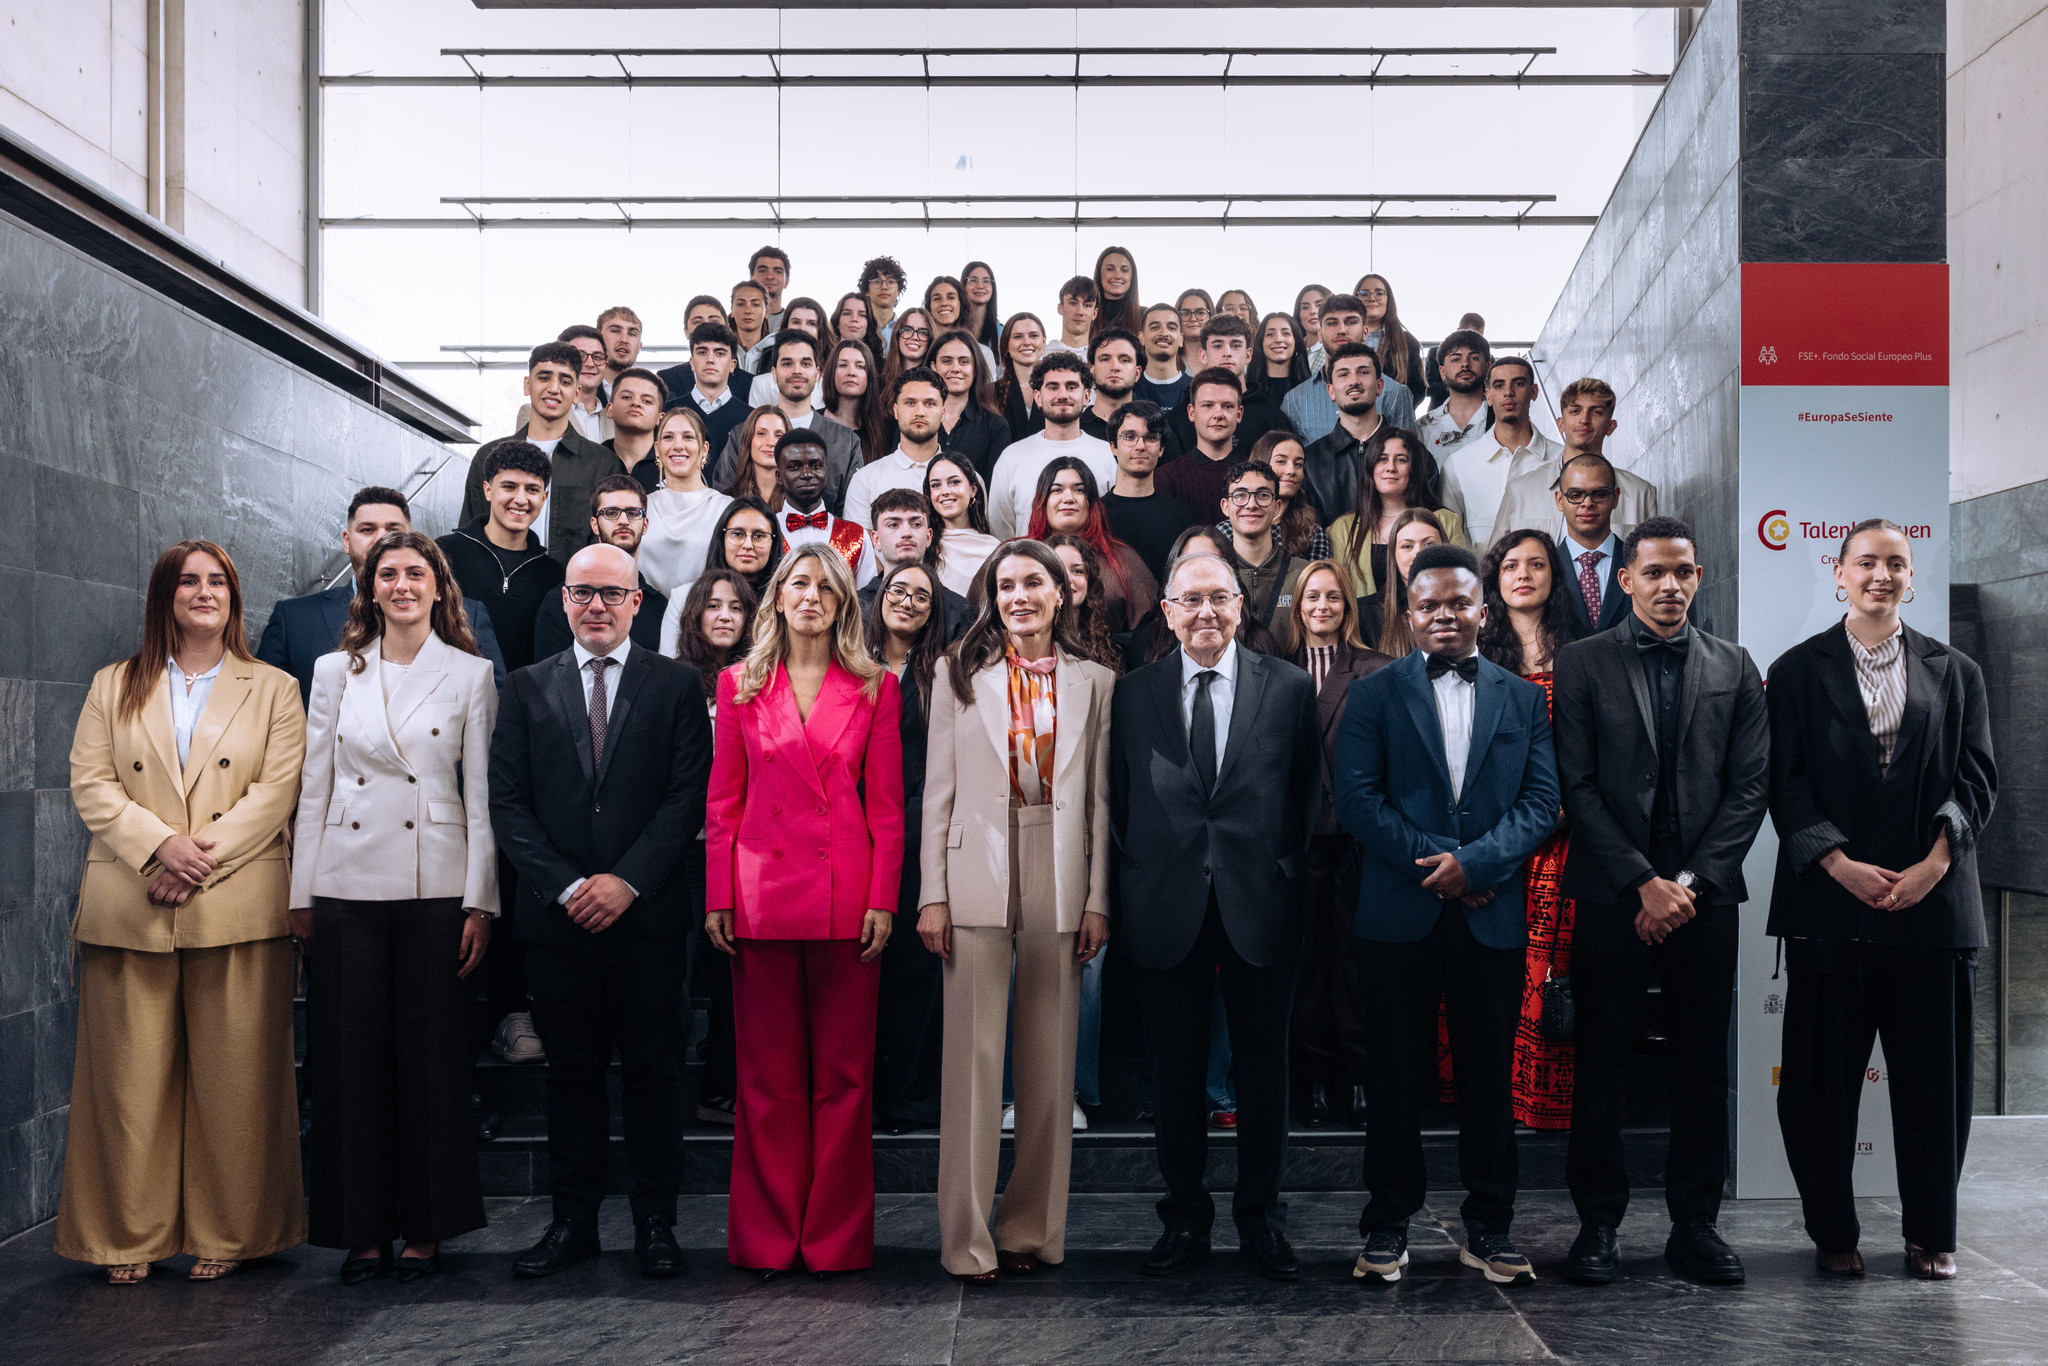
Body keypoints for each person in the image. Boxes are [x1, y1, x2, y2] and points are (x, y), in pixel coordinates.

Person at [59, 541, 307, 1283]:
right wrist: (160, 846)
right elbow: (92, 783)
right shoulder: (115, 684)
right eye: (189, 581)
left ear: (235, 595)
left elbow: (276, 791)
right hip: (131, 898)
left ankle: (231, 1232)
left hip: (234, 899)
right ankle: (124, 1236)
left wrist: (198, 859)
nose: (204, 592)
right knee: (125, 1082)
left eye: (218, 581)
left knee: (239, 1079)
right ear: (165, 595)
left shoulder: (274, 688)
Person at [1767, 520, 1995, 1282]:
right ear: (1838, 574)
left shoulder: (1955, 670)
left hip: (1932, 910)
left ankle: (1933, 1235)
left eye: (1896, 563)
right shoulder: (1796, 671)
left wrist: (1936, 862)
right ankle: (1833, 1232)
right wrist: (1836, 862)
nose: (1881, 574)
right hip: (1832, 910)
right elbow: (1783, 781)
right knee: (1818, 1091)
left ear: (1912, 578)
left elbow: (1978, 779)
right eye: (1866, 561)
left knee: (1936, 1091)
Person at [1550, 516, 1769, 1288]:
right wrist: (1642, 880)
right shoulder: (1581, 662)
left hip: (1705, 899)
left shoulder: (1736, 666)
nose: (1669, 585)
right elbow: (1576, 785)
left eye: (1683, 572)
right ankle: (1598, 1226)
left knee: (1702, 1069)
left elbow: (1750, 789)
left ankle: (1696, 1226)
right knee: (1600, 1064)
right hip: (1614, 893)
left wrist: (1691, 884)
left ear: (1698, 578)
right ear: (1625, 580)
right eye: (1654, 573)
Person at [1336, 542, 1558, 1288]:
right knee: (1394, 1075)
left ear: (1482, 610)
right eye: (1428, 604)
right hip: (1400, 912)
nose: (1443, 615)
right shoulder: (1372, 694)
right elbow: (1359, 802)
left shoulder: (1523, 697)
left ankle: (1490, 1227)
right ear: (1408, 613)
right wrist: (1445, 867)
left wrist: (1482, 865)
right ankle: (1387, 1224)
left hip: (1491, 915)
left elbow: (1542, 803)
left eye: (1459, 603)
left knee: (1490, 1078)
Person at [490, 543, 713, 1280]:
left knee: (654, 1076)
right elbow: (509, 806)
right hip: (557, 923)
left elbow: (687, 799)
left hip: (647, 920)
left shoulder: (677, 685)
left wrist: (625, 882)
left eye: (612, 594)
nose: (596, 606)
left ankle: (656, 1222)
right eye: (583, 592)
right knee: (570, 1078)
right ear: (563, 601)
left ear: (637, 602)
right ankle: (571, 1224)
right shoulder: (523, 688)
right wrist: (567, 886)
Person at [290, 531, 498, 1284]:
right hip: (345, 883)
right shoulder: (332, 671)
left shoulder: (471, 675)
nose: (403, 584)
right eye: (389, 574)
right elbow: (313, 785)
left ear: (440, 587)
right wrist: (300, 894)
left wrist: (482, 901)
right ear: (368, 586)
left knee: (433, 1062)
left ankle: (428, 1226)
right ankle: (360, 1230)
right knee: (348, 1062)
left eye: (417, 573)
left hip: (437, 885)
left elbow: (480, 796)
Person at [1111, 549, 1320, 1281]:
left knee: (1265, 1074)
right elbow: (1118, 800)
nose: (1205, 613)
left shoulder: (1289, 689)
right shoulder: (1130, 695)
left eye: (1219, 599)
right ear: (1165, 613)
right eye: (1189, 601)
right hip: (1165, 906)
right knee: (1174, 1076)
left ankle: (1262, 1219)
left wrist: (1288, 878)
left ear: (1241, 607)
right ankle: (1184, 1219)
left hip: (1260, 903)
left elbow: (1306, 797)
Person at [704, 546, 904, 1277]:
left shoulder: (876, 687)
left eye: (825, 586)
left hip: (847, 901)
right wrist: (719, 895)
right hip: (759, 898)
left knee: (846, 1083)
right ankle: (767, 1240)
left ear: (845, 601)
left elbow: (886, 807)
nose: (811, 596)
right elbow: (722, 802)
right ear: (778, 599)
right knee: (766, 1083)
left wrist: (884, 896)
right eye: (799, 583)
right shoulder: (739, 685)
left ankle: (834, 1243)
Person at [921, 539, 1115, 1282]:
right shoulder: (957, 672)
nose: (1020, 595)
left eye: (1034, 581)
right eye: (1005, 584)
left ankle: (1032, 1230)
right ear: (991, 597)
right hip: (975, 864)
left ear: (1061, 591)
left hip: (1060, 864)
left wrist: (1097, 898)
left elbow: (1099, 801)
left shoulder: (1098, 679)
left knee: (1048, 1063)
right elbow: (937, 790)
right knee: (971, 1063)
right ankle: (967, 1240)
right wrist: (930, 893)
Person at [1475, 531, 1588, 1133]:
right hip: (1492, 841)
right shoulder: (1477, 658)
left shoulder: (1585, 654)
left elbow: (1592, 754)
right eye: (1511, 565)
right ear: (1493, 579)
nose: (1524, 574)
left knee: (1552, 971)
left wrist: (1553, 815)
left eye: (1537, 564)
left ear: (1555, 576)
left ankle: (1543, 1103)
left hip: (1563, 841)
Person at [1279, 561, 1389, 1129]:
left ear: (1348, 604)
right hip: (1298, 845)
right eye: (1310, 597)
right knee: (1307, 965)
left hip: (1358, 842)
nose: (1321, 606)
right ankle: (1315, 1081)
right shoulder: (1275, 670)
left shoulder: (1378, 670)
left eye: (1333, 597)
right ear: (1297, 606)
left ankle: (1360, 1076)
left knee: (1355, 963)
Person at [260, 486, 505, 704]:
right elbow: (266, 710)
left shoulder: (468, 614)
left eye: (393, 529)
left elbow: (492, 707)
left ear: (411, 538)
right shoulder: (293, 620)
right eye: (367, 529)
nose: (381, 538)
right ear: (347, 541)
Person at [669, 568, 758, 1126]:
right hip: (684, 851)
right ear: (695, 616)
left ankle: (724, 1086)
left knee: (733, 979)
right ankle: (668, 1092)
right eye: (713, 606)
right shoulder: (672, 680)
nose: (725, 615)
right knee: (672, 975)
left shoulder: (765, 677)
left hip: (747, 850)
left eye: (736, 607)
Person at [867, 559, 951, 1136]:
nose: (909, 601)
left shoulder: (943, 672)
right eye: (899, 589)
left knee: (915, 970)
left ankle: (909, 1097)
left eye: (922, 595)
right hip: (857, 834)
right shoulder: (849, 661)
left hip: (921, 835)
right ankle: (864, 1094)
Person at [460, 343, 613, 560]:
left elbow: (605, 543)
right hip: (496, 586)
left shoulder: (602, 463)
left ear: (577, 393)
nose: (554, 388)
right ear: (527, 385)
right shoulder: (488, 456)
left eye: (565, 381)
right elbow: (469, 535)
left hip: (571, 589)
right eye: (544, 377)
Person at [440, 442, 567, 675]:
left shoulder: (554, 575)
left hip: (525, 704)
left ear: (544, 496)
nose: (520, 499)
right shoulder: (444, 555)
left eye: (532, 489)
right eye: (509, 487)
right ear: (488, 490)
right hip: (455, 700)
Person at [1490, 378, 1661, 542]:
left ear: (1611, 426)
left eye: (1596, 412)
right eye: (1575, 411)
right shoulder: (1521, 490)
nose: (1584, 420)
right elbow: (1495, 561)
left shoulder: (1640, 493)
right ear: (1561, 424)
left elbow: (1655, 563)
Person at [713, 330, 864, 517]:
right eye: (787, 363)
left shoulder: (846, 441)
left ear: (817, 373)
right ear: (774, 374)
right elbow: (723, 502)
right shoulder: (743, 433)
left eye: (806, 363)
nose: (797, 370)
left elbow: (853, 515)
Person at [534, 476, 673, 657]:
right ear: (594, 525)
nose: (623, 520)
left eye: (633, 513)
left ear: (645, 524)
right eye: (611, 513)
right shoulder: (560, 601)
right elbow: (549, 677)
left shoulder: (659, 606)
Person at [987, 352, 1115, 540]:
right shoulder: (1011, 457)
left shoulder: (1109, 456)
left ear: (1087, 396)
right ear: (1038, 397)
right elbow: (1001, 532)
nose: (1062, 395)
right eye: (1053, 387)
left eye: (1071, 387)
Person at [1328, 426, 1467, 598]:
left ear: (1413, 468)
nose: (1390, 468)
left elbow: (1462, 585)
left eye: (1401, 460)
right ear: (1370, 467)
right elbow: (1338, 595)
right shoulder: (1342, 530)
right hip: (1364, 624)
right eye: (1382, 459)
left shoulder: (1446, 521)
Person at [1438, 357, 1560, 551]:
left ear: (1534, 392)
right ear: (1488, 396)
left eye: (1518, 384)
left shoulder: (1563, 461)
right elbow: (1450, 541)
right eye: (1499, 385)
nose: (1508, 393)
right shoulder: (1458, 465)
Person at [1028, 456, 1158, 631]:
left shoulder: (1122, 559)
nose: (1068, 498)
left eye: (1079, 490)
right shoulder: (1021, 558)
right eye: (1057, 490)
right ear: (1042, 502)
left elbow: (1150, 630)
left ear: (1091, 503)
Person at [1283, 293, 1417, 439]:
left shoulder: (1395, 394)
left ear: (1365, 332)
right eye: (1332, 323)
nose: (1342, 330)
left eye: (1351, 322)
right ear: (1320, 334)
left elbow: (1408, 455)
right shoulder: (1295, 400)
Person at [638, 407, 734, 602]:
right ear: (657, 449)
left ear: (704, 449)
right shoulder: (640, 507)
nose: (678, 445)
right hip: (644, 617)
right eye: (668, 438)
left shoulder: (726, 508)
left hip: (705, 617)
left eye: (688, 437)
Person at [1165, 316, 1294, 458]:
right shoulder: (1176, 420)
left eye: (1236, 345)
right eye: (1217, 345)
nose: (1227, 353)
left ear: (1248, 355)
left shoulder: (1273, 419)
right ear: (1203, 355)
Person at [1103, 399, 1201, 582]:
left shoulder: (1181, 516)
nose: (1140, 446)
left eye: (1150, 438)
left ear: (1161, 448)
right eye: (1129, 437)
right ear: (1113, 447)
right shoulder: (1095, 514)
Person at [856, 488, 972, 640]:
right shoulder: (854, 608)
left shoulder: (960, 611)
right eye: (893, 525)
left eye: (916, 524)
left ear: (929, 536)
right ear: (876, 540)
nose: (906, 533)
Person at [843, 366, 947, 534]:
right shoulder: (865, 480)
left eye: (929, 403)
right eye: (910, 403)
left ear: (943, 413)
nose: (919, 412)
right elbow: (861, 552)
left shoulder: (965, 480)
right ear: (896, 410)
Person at [1301, 343, 1395, 527]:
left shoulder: (1413, 454)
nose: (1354, 381)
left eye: (1363, 372)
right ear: (1331, 391)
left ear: (1379, 386)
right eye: (1343, 374)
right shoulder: (1309, 461)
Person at [1217, 459, 1308, 633]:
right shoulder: (1211, 576)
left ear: (1277, 507)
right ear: (1225, 507)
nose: (1251, 504)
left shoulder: (1304, 575)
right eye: (1240, 495)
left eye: (1263, 495)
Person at [767, 429, 866, 574]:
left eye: (816, 466)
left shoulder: (857, 536)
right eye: (794, 467)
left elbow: (867, 595)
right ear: (779, 477)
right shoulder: (765, 533)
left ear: (827, 470)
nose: (807, 474)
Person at [1154, 368, 1248, 516]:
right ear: (1191, 412)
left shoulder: (1256, 475)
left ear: (1239, 414)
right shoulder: (1166, 478)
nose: (1218, 414)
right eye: (1208, 405)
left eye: (1227, 406)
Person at [926, 328, 1014, 483]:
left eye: (964, 361)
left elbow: (992, 490)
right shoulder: (915, 417)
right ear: (933, 366)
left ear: (975, 368)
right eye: (947, 361)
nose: (955, 368)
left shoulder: (995, 427)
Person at [1358, 508, 1449, 653]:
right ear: (1393, 555)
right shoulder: (1365, 613)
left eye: (1429, 544)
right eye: (1407, 546)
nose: (1418, 553)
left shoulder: (1465, 609)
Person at [661, 322, 752, 456]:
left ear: (732, 365)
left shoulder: (751, 418)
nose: (710, 359)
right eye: (702, 352)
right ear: (692, 363)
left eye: (720, 353)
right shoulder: (667, 412)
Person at [1045, 533, 1127, 676]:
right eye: (1058, 571)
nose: (1068, 579)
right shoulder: (1034, 644)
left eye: (1077, 571)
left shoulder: (1111, 648)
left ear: (1089, 581)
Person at [1244, 430, 1331, 562]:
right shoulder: (1229, 529)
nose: (1291, 471)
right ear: (1260, 464)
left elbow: (1320, 581)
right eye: (1281, 461)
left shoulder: (1312, 532)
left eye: (1298, 464)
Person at [516, 324, 610, 442]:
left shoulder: (616, 419)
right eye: (580, 356)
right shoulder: (534, 413)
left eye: (597, 357)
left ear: (606, 366)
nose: (590, 364)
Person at [926, 453, 1002, 599]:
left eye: (954, 482)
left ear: (973, 490)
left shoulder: (994, 549)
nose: (945, 491)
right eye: (936, 485)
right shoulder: (924, 545)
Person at [1417, 328, 1493, 468]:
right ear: (1442, 372)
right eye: (1456, 359)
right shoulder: (1422, 427)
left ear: (1487, 368)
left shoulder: (1502, 419)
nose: (1465, 364)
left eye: (1474, 357)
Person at [1354, 273, 1426, 407]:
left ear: (1388, 299)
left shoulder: (1407, 342)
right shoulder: (1343, 338)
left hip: (1393, 423)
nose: (1371, 298)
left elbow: (1418, 391)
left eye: (1379, 293)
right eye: (1364, 293)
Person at [746, 298, 829, 409]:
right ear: (785, 327)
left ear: (821, 331)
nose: (802, 328)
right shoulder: (761, 384)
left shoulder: (831, 381)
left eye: (811, 323)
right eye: (796, 322)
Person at [822, 337, 890, 470]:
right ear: (831, 373)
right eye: (843, 365)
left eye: (860, 366)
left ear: (870, 375)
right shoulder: (814, 423)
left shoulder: (887, 428)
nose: (851, 373)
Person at [603, 367, 667, 490]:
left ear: (660, 418)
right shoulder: (592, 460)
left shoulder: (673, 463)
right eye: (627, 397)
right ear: (609, 409)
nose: (636, 403)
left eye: (647, 401)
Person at [721, 406, 791, 507]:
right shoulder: (727, 500)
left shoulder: (800, 499)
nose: (771, 443)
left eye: (779, 435)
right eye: (761, 433)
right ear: (748, 441)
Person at [996, 311, 1050, 439]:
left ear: (1043, 342)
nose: (1026, 342)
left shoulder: (1058, 390)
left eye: (1033, 336)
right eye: (1018, 337)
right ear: (1007, 345)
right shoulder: (989, 394)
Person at [1424, 312, 1486, 411]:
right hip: (1440, 410)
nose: (1475, 341)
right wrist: (1462, 386)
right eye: (1470, 335)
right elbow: (1429, 388)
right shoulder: (1435, 353)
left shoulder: (1485, 357)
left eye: (1479, 337)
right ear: (1459, 331)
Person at [1136, 302, 1190, 411]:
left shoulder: (1197, 389)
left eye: (1171, 328)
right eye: (1155, 327)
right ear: (1141, 338)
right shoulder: (1129, 390)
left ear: (1181, 339)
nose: (1164, 333)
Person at [880, 306, 937, 392]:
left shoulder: (937, 384)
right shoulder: (878, 383)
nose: (914, 337)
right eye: (907, 330)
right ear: (897, 335)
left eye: (923, 332)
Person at [1091, 245, 1143, 337]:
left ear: (1132, 276)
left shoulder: (1144, 317)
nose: (1118, 276)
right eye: (1110, 269)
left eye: (1124, 270)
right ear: (1099, 274)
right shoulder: (1087, 314)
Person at [859, 254, 908, 346]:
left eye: (890, 282)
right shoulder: (857, 327)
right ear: (866, 290)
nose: (884, 287)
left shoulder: (906, 330)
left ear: (899, 290)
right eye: (876, 282)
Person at [597, 305, 644, 399]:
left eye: (632, 334)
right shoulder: (578, 388)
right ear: (598, 339)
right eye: (615, 331)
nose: (624, 340)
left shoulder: (650, 392)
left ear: (640, 346)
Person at [1257, 312, 1310, 392]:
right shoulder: (1247, 391)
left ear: (1296, 341)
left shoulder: (1312, 389)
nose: (1278, 340)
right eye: (1270, 334)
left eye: (1286, 333)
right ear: (1261, 342)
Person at [731, 280, 773, 372]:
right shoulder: (721, 349)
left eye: (755, 304)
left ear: (766, 312)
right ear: (732, 311)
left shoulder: (778, 351)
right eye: (741, 304)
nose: (748, 310)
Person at [1050, 275, 1098, 354]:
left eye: (1087, 305)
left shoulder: (1103, 357)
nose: (1080, 312)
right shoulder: (1041, 355)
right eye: (1073, 303)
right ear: (1060, 308)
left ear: (1095, 313)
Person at [961, 260, 1001, 354]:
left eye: (986, 281)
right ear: (963, 285)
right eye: (973, 280)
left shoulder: (1001, 332)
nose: (980, 286)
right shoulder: (953, 327)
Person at [1174, 290, 1214, 375]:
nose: (1193, 318)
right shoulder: (1168, 361)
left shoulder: (1224, 357)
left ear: (1211, 317)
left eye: (1200, 312)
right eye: (1185, 313)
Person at [750, 245, 791, 325]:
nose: (769, 276)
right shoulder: (733, 324)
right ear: (751, 278)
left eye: (778, 271)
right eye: (762, 271)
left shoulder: (793, 323)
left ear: (786, 281)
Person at [1294, 284, 1332, 371]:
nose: (1313, 311)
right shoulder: (1291, 350)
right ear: (1299, 315)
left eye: (1319, 305)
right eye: (1305, 307)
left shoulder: (1339, 349)